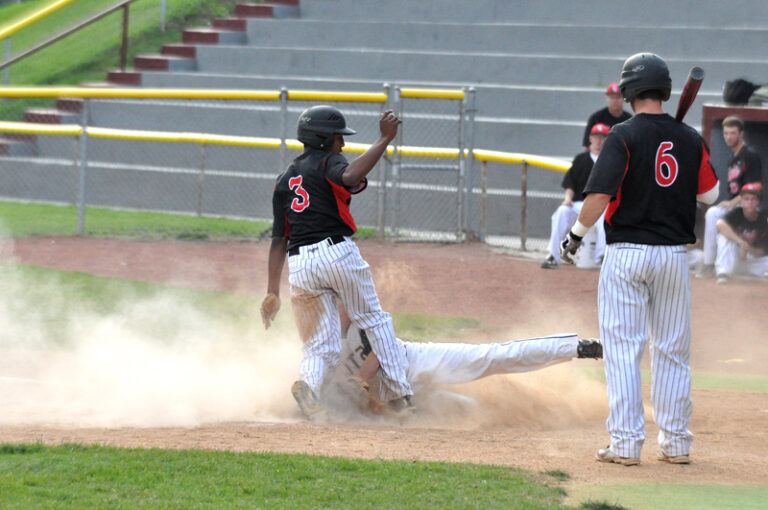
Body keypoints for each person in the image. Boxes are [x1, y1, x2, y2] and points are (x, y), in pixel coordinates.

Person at [559, 53, 719, 466]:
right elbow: (711, 197)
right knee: (671, 350)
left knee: (623, 350)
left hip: (627, 254)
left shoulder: (622, 134)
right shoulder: (689, 139)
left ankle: (627, 444)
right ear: (666, 91)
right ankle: (677, 444)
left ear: (628, 91)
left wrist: (575, 236)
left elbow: (598, 195)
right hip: (672, 257)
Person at [260, 105, 414, 419]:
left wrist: (272, 291)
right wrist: (385, 139)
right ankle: (399, 395)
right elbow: (351, 176)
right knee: (375, 321)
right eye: (338, 138)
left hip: (300, 264)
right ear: (322, 139)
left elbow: (278, 240)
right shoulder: (329, 160)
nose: (341, 144)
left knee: (320, 345)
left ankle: (308, 388)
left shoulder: (284, 179)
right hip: (335, 251)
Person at [338, 322, 602, 414]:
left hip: (417, 361)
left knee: (492, 357)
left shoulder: (361, 315)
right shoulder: (321, 346)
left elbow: (382, 350)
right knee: (470, 412)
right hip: (405, 396)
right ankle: (521, 413)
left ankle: (578, 348)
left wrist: (359, 379)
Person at [698, 116, 763, 278]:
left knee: (713, 213)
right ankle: (709, 264)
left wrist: (733, 202)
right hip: (736, 205)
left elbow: (755, 186)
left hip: (747, 204)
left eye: (733, 133)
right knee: (713, 214)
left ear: (741, 134)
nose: (728, 137)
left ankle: (711, 265)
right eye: (726, 133)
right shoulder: (733, 157)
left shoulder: (749, 155)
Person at [542, 123, 609, 269]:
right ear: (590, 138)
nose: (599, 140)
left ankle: (602, 257)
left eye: (603, 137)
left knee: (605, 216)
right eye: (596, 137)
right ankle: (553, 256)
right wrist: (567, 199)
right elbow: (570, 183)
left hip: (600, 205)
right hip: (579, 204)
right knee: (561, 212)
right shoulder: (580, 159)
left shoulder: (609, 160)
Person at [714, 183, 768, 284]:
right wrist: (741, 242)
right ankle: (723, 274)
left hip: (750, 260)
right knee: (723, 237)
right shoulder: (736, 213)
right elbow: (720, 224)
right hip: (734, 257)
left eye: (754, 199)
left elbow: (763, 251)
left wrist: (749, 249)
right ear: (741, 201)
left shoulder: (763, 220)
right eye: (746, 199)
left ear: (759, 202)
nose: (750, 202)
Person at [581, 83, 632, 149]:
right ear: (607, 98)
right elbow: (588, 144)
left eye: (618, 97)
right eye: (612, 97)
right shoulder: (597, 118)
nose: (615, 100)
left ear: (624, 99)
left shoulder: (629, 119)